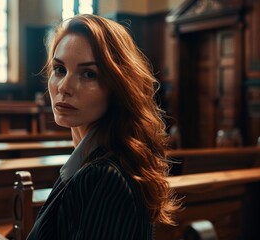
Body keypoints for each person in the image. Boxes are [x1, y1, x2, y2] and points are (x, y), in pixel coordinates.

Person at [27, 14, 179, 240]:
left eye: (88, 74)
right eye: (59, 69)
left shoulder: (106, 177)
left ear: (117, 86)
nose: (64, 87)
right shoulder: (87, 162)